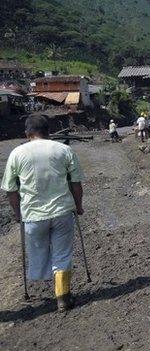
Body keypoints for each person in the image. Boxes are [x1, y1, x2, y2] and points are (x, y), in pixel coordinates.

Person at [1, 115, 85, 312]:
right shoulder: (64, 150)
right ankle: (63, 296)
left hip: (32, 215)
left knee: (38, 252)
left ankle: (46, 284)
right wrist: (78, 206)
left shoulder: (17, 153)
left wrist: (17, 213)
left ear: (27, 133)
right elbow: (76, 183)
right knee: (62, 254)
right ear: (48, 132)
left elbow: (11, 190)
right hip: (62, 211)